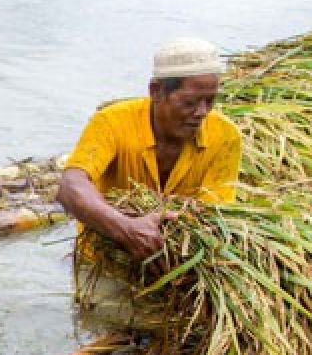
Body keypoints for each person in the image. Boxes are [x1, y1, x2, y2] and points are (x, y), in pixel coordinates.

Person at [57, 37, 242, 260]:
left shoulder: (225, 135)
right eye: (189, 102)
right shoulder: (111, 122)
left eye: (209, 101)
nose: (202, 112)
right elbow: (70, 186)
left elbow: (215, 215)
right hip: (105, 257)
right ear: (156, 91)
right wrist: (125, 228)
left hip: (177, 260)